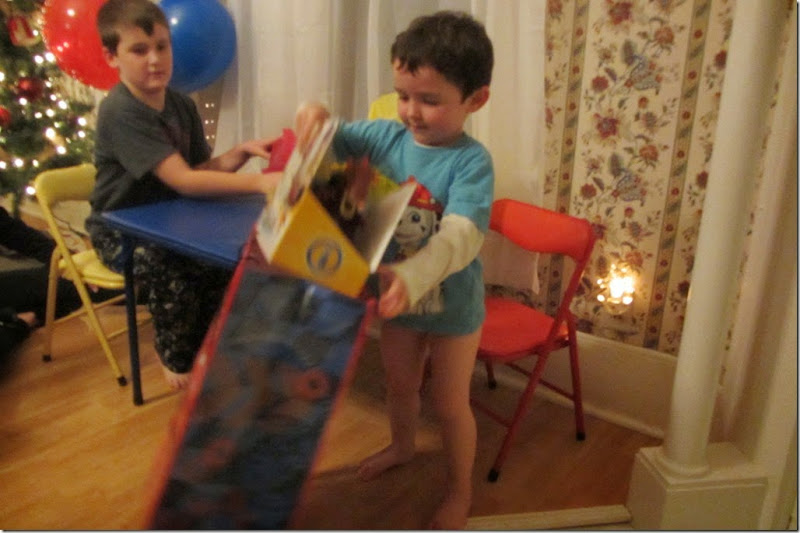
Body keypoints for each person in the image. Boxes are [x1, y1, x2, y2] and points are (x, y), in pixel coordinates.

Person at [295, 10, 494, 529]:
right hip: (395, 299)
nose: (411, 111)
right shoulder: (384, 137)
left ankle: (460, 489)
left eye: (429, 99)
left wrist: (414, 275)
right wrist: (313, 116)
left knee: (449, 404)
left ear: (475, 100)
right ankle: (402, 447)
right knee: (400, 386)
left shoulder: (471, 162)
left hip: (452, 307)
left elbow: (462, 236)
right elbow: (327, 137)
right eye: (403, 95)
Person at [86, 0, 282, 390]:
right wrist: (260, 183)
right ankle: (176, 353)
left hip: (173, 218)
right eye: (139, 50)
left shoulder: (180, 104)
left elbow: (198, 172)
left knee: (228, 258)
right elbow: (185, 181)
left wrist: (239, 153)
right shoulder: (120, 110)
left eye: (162, 46)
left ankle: (216, 343)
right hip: (120, 229)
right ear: (112, 57)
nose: (155, 59)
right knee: (171, 262)